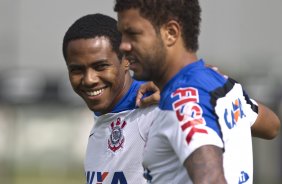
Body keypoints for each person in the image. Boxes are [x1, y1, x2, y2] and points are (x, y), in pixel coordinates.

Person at [114, 0, 280, 183]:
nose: (123, 46)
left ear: (171, 33)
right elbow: (272, 126)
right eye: (122, 35)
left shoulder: (183, 103)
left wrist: (183, 100)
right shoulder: (217, 82)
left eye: (133, 34)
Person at [62, 13, 159, 184]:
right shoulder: (102, 116)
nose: (89, 79)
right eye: (77, 70)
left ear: (127, 59)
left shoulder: (157, 105)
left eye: (101, 66)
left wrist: (186, 82)